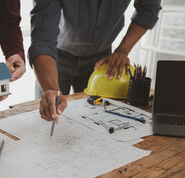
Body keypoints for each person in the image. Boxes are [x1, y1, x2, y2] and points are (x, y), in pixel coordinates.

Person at [28, 0, 161, 122]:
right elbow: (42, 40)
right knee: (47, 115)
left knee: (98, 120)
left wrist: (123, 50)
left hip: (102, 59)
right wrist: (51, 90)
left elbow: (148, 9)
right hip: (54, 58)